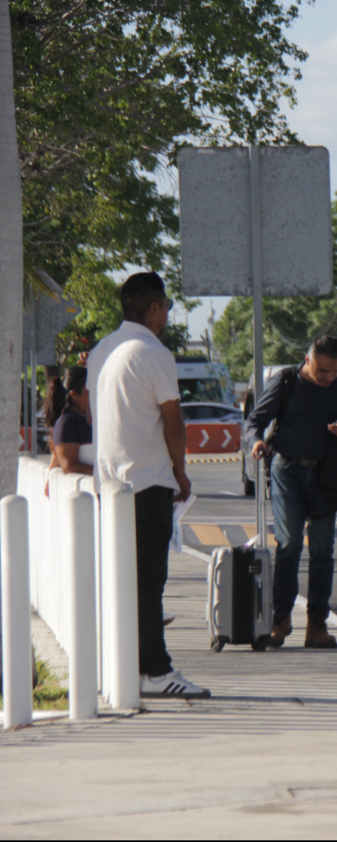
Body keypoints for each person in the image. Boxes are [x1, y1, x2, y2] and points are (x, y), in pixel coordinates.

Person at [87, 272, 207, 698]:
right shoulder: (154, 353)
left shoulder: (104, 350)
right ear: (153, 309)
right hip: (148, 482)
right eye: (166, 307)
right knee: (150, 583)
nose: (167, 314)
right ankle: (156, 672)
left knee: (122, 581)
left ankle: (125, 668)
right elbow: (174, 424)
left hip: (110, 483)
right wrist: (181, 471)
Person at [246, 336, 337, 650]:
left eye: (334, 371)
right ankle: (280, 619)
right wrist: (257, 441)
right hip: (288, 472)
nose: (328, 378)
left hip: (328, 477)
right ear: (308, 359)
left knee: (323, 550)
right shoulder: (286, 380)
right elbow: (254, 421)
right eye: (323, 370)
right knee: (290, 544)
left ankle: (316, 625)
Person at [45, 367, 94, 493]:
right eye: (89, 391)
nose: (95, 394)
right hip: (84, 498)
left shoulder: (87, 419)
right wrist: (105, 473)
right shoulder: (67, 424)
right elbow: (70, 466)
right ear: (75, 395)